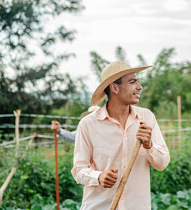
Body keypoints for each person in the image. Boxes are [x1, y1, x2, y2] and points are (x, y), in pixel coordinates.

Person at [71, 61, 170, 210]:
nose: (139, 87)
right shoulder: (88, 124)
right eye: (132, 82)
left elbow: (162, 163)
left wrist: (149, 145)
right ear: (114, 87)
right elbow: (79, 170)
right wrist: (99, 176)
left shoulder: (146, 118)